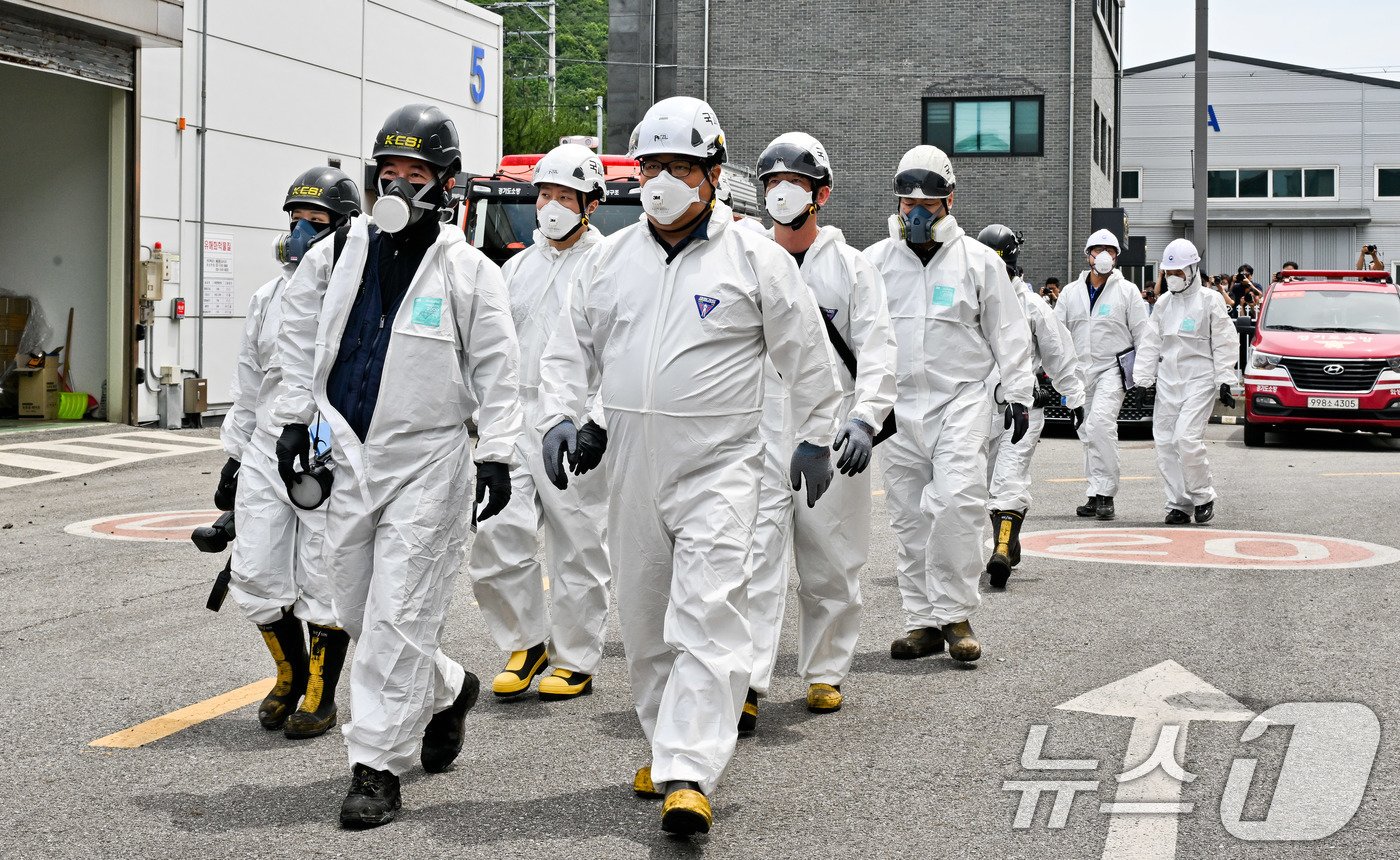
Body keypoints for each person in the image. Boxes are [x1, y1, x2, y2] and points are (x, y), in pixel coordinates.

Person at [537, 97, 842, 836]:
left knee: (708, 613)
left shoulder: (753, 257)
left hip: (722, 464)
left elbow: (807, 356)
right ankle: (664, 741)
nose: (661, 182)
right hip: (632, 467)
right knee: (644, 623)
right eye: (650, 167)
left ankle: (687, 771)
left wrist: (817, 434)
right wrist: (563, 415)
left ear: (712, 175)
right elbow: (569, 347)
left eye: (678, 167)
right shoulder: (611, 260)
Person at [271, 103, 523, 829]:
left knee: (398, 611)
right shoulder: (340, 252)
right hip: (351, 453)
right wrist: (293, 416)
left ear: (446, 185)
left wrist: (499, 452)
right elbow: (295, 322)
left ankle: (377, 766)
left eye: (416, 174)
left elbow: (502, 371)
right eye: (389, 172)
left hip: (431, 460)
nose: (400, 185)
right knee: (349, 609)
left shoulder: (467, 270)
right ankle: (448, 688)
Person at [742, 132, 896, 728]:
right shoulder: (747, 260)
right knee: (752, 556)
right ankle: (748, 678)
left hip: (832, 431)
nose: (782, 194)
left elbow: (879, 349)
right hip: (759, 429)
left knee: (831, 558)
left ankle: (826, 669)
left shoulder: (852, 269)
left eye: (796, 183)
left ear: (821, 194)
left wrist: (865, 418)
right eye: (772, 183)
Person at [864, 145, 1033, 664]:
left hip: (960, 400)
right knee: (910, 517)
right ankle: (922, 622)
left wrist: (1020, 392)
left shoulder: (979, 263)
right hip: (896, 408)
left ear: (949, 201)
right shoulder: (874, 262)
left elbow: (1008, 331)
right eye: (907, 202)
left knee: (958, 502)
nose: (916, 214)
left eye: (929, 203)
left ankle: (956, 614)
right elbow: (857, 335)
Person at [219, 166, 361, 739]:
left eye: (317, 223)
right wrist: (234, 455)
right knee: (254, 569)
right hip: (264, 448)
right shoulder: (268, 296)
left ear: (344, 230)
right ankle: (288, 672)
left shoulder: (356, 295)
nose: (302, 233)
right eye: (295, 221)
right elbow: (251, 378)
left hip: (327, 452)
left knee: (323, 574)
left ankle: (321, 694)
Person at [467, 144, 612, 702]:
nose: (550, 206)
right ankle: (526, 642)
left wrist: (596, 420)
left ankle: (575, 657)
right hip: (515, 417)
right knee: (498, 532)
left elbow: (616, 352)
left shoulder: (608, 264)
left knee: (577, 542)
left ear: (590, 204)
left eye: (565, 197)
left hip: (575, 419)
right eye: (544, 195)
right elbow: (493, 351)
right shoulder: (517, 268)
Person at [975, 225, 1085, 587]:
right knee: (977, 485)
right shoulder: (968, 298)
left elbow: (1059, 355)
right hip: (974, 410)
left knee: (1008, 478)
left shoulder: (1033, 307)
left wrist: (1075, 397)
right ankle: (1004, 541)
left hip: (1020, 410)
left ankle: (1002, 551)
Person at [1132, 238, 1237, 524]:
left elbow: (1225, 342)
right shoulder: (1164, 303)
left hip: (1199, 379)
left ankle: (1203, 496)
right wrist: (1143, 380)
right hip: (1168, 382)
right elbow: (1151, 343)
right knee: (1165, 443)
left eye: (1178, 272)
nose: (1173, 278)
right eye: (1169, 273)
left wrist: (1225, 379)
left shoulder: (1210, 300)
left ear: (1192, 271)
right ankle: (1179, 503)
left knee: (1186, 439)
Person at [1054, 228, 1149, 521]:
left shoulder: (1127, 291)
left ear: (1117, 257)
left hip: (1112, 369)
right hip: (1080, 372)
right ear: (1088, 255)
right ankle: (1095, 493)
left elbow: (1143, 334)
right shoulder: (1070, 293)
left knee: (1100, 425)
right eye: (1098, 250)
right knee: (1085, 430)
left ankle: (1106, 494)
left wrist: (1144, 376)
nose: (1104, 256)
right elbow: (1055, 335)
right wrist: (1057, 375)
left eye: (1110, 250)